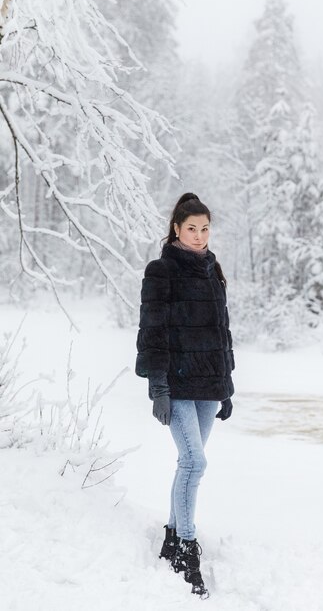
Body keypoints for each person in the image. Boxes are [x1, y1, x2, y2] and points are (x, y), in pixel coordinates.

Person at [135, 192, 235, 599]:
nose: (199, 236)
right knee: (195, 462)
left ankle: (172, 538)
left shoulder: (214, 271)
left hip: (209, 386)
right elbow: (152, 331)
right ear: (176, 229)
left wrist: (226, 386)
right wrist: (157, 386)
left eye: (205, 229)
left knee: (187, 465)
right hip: (176, 384)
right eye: (191, 228)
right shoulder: (161, 271)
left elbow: (222, 333)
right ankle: (186, 551)